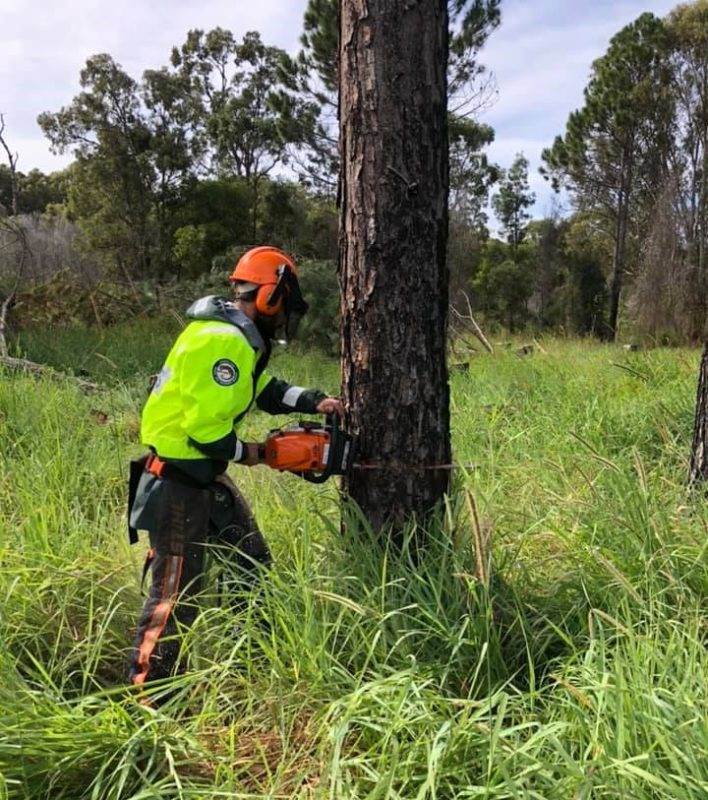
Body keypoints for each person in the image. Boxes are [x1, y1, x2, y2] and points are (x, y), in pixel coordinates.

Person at [127, 245, 342, 686]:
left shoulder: (237, 338)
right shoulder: (222, 340)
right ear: (270, 295)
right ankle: (148, 698)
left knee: (252, 563)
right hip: (177, 483)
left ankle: (255, 661)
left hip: (204, 478)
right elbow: (206, 432)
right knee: (176, 597)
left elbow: (264, 388)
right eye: (284, 305)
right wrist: (259, 454)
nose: (284, 317)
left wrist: (315, 400)